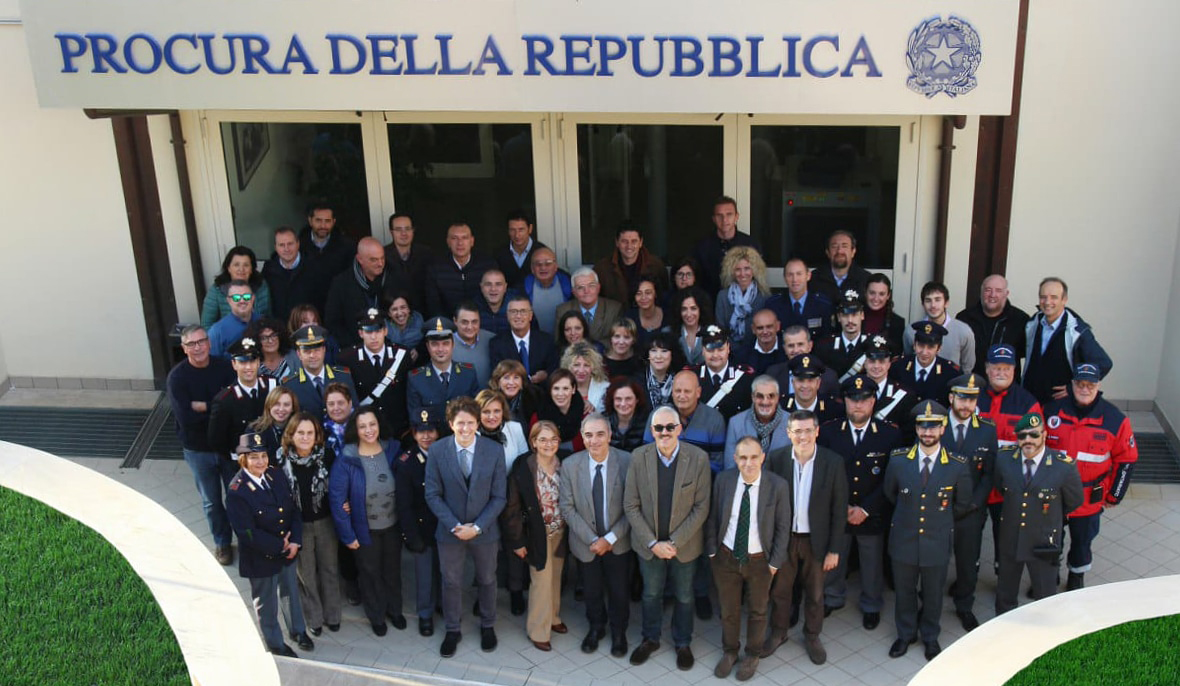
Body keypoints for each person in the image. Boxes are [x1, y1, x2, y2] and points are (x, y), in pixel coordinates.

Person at [623, 406, 712, 670]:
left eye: (669, 427)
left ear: (679, 429)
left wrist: (673, 543)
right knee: (651, 595)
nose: (664, 432)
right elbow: (630, 505)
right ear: (651, 431)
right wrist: (653, 543)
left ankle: (683, 642)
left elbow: (701, 507)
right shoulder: (638, 457)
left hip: (683, 546)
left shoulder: (698, 458)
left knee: (685, 597)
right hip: (649, 545)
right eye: (658, 428)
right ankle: (650, 639)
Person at [883, 401, 972, 661]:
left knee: (933, 594)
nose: (928, 433)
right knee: (905, 591)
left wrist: (938, 521)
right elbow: (891, 494)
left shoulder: (956, 465)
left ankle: (931, 637)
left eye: (933, 427)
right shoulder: (899, 461)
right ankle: (906, 634)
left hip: (936, 540)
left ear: (943, 428)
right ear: (917, 429)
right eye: (923, 427)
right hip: (903, 540)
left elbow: (962, 503)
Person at [818, 374, 903, 631]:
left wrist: (865, 509)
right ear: (844, 401)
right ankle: (833, 597)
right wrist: (841, 507)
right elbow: (824, 473)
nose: (858, 405)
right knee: (835, 558)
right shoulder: (830, 432)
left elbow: (891, 477)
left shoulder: (889, 434)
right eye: (853, 399)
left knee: (871, 563)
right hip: (839, 511)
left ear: (873, 401)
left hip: (871, 512)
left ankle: (871, 605)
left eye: (864, 400)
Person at [424, 397, 508, 657]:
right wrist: (456, 526)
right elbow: (433, 495)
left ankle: (487, 625)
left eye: (470, 423)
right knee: (451, 582)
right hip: (451, 531)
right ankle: (452, 629)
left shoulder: (493, 451)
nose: (465, 428)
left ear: (478, 423)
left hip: (485, 531)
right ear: (451, 424)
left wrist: (478, 527)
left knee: (487, 579)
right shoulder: (438, 451)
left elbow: (499, 497)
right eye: (460, 423)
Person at [763, 411, 849, 665]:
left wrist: (834, 549)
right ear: (789, 434)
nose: (803, 436)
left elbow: (838, 508)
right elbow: (767, 505)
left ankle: (812, 636)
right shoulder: (777, 459)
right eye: (797, 431)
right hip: (785, 539)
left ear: (817, 431)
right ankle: (778, 633)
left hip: (816, 541)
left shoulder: (832, 462)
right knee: (780, 591)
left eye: (808, 430)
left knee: (815, 593)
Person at [704, 436, 791, 680]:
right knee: (729, 610)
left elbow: (784, 527)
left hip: (760, 561)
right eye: (743, 457)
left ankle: (752, 654)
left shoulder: (778, 485)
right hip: (726, 557)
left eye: (754, 457)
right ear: (735, 458)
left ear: (763, 457)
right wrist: (712, 551)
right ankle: (730, 651)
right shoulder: (724, 480)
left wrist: (775, 562)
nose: (749, 463)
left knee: (758, 611)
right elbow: (712, 517)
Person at [1045, 363, 1138, 590]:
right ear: (1072, 384)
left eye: (1090, 384)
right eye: (1080, 383)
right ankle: (1049, 574)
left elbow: (1126, 460)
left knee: (1082, 542)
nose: (1084, 389)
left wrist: (1115, 495)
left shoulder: (1115, 419)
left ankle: (1076, 576)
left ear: (1098, 385)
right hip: (1053, 495)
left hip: (1089, 499)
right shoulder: (1049, 411)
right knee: (1050, 540)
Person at [225, 431, 311, 657]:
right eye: (254, 457)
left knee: (290, 593)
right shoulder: (237, 491)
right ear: (243, 459)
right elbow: (247, 534)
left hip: (287, 550)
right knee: (267, 604)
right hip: (261, 558)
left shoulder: (275, 475)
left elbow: (292, 510)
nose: (260, 461)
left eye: (263, 455)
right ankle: (276, 645)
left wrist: (295, 541)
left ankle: (298, 631)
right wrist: (279, 546)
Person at [993, 412, 1083, 615]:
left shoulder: (1063, 466)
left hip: (1043, 540)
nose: (1028, 440)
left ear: (1044, 435)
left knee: (1045, 595)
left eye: (1034, 435)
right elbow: (1001, 487)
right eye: (1022, 436)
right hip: (1011, 536)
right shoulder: (1004, 459)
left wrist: (1051, 516)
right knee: (1005, 591)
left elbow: (1074, 500)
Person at [559, 414, 633, 658]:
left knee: (619, 591)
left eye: (600, 434)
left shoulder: (627, 461)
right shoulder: (570, 465)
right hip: (585, 544)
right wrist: (593, 539)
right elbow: (567, 507)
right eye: (589, 435)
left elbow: (633, 506)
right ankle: (596, 627)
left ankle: (619, 631)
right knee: (591, 591)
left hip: (618, 543)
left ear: (610, 435)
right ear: (582, 437)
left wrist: (609, 538)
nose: (595, 440)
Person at [328, 408, 406, 636]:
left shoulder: (392, 449)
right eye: (363, 426)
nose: (368, 430)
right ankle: (377, 615)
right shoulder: (347, 458)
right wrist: (348, 535)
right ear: (356, 429)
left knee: (392, 571)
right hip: (364, 529)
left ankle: (395, 610)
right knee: (370, 574)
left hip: (392, 525)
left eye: (372, 424)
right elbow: (337, 499)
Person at [166, 325, 236, 565]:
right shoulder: (177, 378)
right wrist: (217, 407)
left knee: (237, 497)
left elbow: (233, 405)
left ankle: (247, 542)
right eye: (191, 344)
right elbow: (186, 419)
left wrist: (204, 406)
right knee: (212, 501)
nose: (198, 348)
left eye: (201, 342)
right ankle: (223, 543)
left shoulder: (225, 368)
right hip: (198, 451)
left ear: (209, 343)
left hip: (227, 447)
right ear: (184, 349)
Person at [503, 421, 569, 652]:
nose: (548, 444)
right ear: (533, 442)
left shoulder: (566, 462)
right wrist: (517, 541)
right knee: (541, 579)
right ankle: (538, 630)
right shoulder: (523, 466)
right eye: (542, 439)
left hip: (560, 532)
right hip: (535, 534)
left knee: (555, 577)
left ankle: (553, 617)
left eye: (553, 439)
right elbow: (511, 506)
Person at [275, 412, 342, 636]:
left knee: (330, 569)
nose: (305, 437)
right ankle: (314, 618)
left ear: (317, 436)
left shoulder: (327, 456)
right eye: (300, 433)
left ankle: (333, 615)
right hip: (298, 525)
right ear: (291, 435)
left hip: (325, 522)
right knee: (306, 574)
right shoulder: (279, 460)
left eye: (310, 433)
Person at [977, 343, 1042, 569]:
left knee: (1005, 533)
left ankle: (1002, 571)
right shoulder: (972, 397)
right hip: (975, 481)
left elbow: (1034, 448)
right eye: (996, 367)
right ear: (987, 368)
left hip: (1008, 484)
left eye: (1007, 368)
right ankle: (969, 574)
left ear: (1015, 370)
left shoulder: (1027, 403)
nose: (1001, 372)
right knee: (971, 533)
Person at [941, 374, 998, 631]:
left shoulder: (987, 430)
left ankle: (964, 605)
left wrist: (975, 503)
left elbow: (989, 473)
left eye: (971, 399)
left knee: (968, 562)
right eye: (962, 398)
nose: (966, 405)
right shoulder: (935, 426)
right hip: (939, 509)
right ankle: (929, 605)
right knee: (934, 560)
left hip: (971, 510)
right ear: (951, 397)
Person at [476, 388, 530, 616]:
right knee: (485, 551)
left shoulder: (515, 429)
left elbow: (524, 461)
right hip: (482, 501)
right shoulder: (472, 433)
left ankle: (516, 591)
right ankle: (482, 596)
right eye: (486, 411)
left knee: (514, 546)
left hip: (512, 499)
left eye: (496, 411)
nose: (492, 416)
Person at [1022, 277, 1113, 407]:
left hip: (1060, 404)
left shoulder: (1077, 331)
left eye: (1054, 297)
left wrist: (1074, 387)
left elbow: (1104, 363)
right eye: (1043, 297)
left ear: (1064, 300)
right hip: (1031, 400)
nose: (1047, 302)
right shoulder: (1033, 323)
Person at [394, 408, 443, 637]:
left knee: (446, 572)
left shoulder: (446, 454)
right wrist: (411, 537)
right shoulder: (406, 462)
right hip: (421, 528)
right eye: (421, 432)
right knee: (425, 575)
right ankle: (425, 615)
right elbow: (404, 505)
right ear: (414, 434)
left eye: (431, 431)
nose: (426, 436)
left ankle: (442, 604)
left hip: (444, 526)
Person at [208, 336, 279, 467]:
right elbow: (216, 440)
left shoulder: (272, 385)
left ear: (258, 362)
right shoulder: (224, 400)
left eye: (252, 361)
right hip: (241, 464)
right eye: (242, 362)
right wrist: (235, 459)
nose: (248, 367)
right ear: (234, 364)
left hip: (271, 459)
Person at [345, 308, 413, 440]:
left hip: (398, 430)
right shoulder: (348, 358)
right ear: (360, 333)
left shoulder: (401, 355)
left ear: (385, 331)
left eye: (378, 331)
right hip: (366, 431)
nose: (374, 337)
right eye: (368, 332)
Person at [644, 370, 727, 474]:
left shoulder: (714, 419)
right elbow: (646, 456)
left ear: (698, 393)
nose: (682, 396)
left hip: (700, 482)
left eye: (687, 391)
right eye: (678, 391)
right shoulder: (658, 415)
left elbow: (717, 465)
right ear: (672, 392)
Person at [324, 237, 400, 348]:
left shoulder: (394, 276)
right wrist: (354, 347)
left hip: (390, 347)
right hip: (356, 349)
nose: (380, 264)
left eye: (382, 258)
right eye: (373, 260)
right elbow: (333, 322)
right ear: (360, 259)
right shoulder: (341, 283)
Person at [406, 317, 480, 422]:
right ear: (427, 347)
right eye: (435, 344)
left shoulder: (468, 373)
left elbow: (476, 412)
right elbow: (416, 420)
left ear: (453, 345)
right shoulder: (416, 378)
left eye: (445, 343)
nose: (440, 349)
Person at [955, 274, 1030, 378]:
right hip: (971, 385)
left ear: (1006, 293)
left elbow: (1029, 354)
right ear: (981, 292)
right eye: (988, 290)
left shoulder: (1021, 320)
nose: (992, 294)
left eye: (998, 290)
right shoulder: (964, 318)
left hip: (1006, 388)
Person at [282, 324, 358, 420]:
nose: (312, 355)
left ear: (324, 350)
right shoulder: (290, 385)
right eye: (307, 351)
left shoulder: (343, 376)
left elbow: (355, 411)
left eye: (317, 350)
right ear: (299, 354)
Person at [691, 196, 762, 298]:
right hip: (710, 303)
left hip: (745, 305)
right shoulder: (701, 247)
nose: (724, 220)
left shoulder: (751, 244)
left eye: (729, 215)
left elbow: (758, 278)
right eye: (719, 215)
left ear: (736, 217)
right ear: (714, 219)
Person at [426, 222, 497, 319]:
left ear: (472, 241)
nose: (460, 243)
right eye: (455, 238)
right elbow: (434, 305)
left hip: (482, 323)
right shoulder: (436, 268)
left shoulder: (487, 265)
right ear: (448, 242)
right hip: (449, 324)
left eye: (464, 238)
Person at [902, 282, 976, 372]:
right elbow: (908, 361)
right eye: (928, 300)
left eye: (937, 300)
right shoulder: (911, 331)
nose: (933, 305)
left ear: (946, 303)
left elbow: (967, 367)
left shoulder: (963, 331)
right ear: (923, 304)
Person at [723, 375, 791, 469]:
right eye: (760, 396)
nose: (765, 402)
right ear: (753, 397)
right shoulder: (736, 423)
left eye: (771, 396)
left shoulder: (792, 423)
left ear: (777, 398)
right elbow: (730, 468)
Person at [489, 295, 558, 386]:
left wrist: (546, 375)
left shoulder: (547, 341)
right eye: (514, 312)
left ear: (531, 315)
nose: (518, 316)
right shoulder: (497, 344)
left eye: (523, 311)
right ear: (507, 316)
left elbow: (554, 371)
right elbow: (498, 376)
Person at [594, 221, 669, 305]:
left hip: (647, 316)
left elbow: (664, 297)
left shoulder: (656, 266)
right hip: (614, 317)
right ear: (617, 242)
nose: (629, 246)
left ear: (641, 242)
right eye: (624, 241)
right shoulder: (602, 268)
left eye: (634, 241)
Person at [263, 226, 326, 323]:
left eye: (290, 244)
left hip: (308, 327)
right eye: (281, 245)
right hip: (279, 328)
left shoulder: (315, 267)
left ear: (298, 244)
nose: (286, 249)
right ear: (275, 247)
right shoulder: (269, 269)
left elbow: (323, 300)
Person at [695, 324, 755, 421]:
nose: (715, 355)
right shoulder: (692, 376)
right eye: (710, 350)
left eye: (720, 349)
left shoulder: (744, 377)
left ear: (728, 348)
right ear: (703, 350)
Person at [201, 246, 272, 328]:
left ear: (252, 269)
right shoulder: (217, 290)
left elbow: (268, 318)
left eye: (246, 265)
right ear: (229, 268)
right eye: (236, 265)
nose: (241, 269)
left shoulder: (261, 286)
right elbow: (206, 325)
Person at [714, 246, 770, 347]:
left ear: (754, 270)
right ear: (731, 272)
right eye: (738, 269)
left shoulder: (763, 296)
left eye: (747, 268)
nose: (742, 274)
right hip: (728, 351)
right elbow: (720, 330)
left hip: (756, 351)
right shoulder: (722, 296)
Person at [766, 257, 834, 342]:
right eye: (790, 275)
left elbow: (826, 340)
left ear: (808, 276)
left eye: (799, 274)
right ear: (785, 278)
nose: (795, 279)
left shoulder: (823, 305)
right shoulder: (773, 305)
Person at [891, 322, 961, 402]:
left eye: (930, 347)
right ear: (914, 345)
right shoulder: (898, 366)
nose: (924, 352)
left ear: (938, 349)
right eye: (921, 345)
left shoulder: (950, 372)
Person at [765, 325, 840, 399]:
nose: (796, 350)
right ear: (784, 348)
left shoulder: (828, 376)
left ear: (810, 346)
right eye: (791, 346)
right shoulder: (773, 374)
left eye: (800, 344)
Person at [556, 267, 624, 346]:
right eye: (580, 287)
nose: (586, 291)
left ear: (598, 288)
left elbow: (618, 340)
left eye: (591, 286)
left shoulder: (614, 309)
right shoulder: (563, 310)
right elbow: (560, 342)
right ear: (574, 292)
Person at [861, 335, 917, 430]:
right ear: (865, 363)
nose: (876, 366)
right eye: (872, 361)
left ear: (889, 364)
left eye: (882, 361)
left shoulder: (904, 396)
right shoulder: (851, 389)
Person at [383, 212, 435, 313]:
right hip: (394, 316)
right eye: (398, 229)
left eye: (407, 229)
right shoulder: (383, 256)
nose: (404, 233)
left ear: (413, 230)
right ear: (391, 232)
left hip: (424, 313)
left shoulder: (426, 254)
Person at [300, 201, 356, 288]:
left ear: (333, 222)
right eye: (318, 220)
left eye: (327, 221)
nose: (323, 225)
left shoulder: (347, 247)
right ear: (310, 221)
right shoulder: (298, 246)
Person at [532, 368, 586, 458]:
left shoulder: (585, 416)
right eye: (556, 388)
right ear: (550, 390)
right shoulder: (538, 418)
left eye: (565, 388)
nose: (560, 394)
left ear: (573, 389)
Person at [816, 291, 869, 380]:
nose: (850, 320)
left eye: (854, 315)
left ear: (862, 315)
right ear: (839, 317)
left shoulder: (870, 344)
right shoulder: (825, 346)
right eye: (845, 315)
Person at [809, 229, 872, 304]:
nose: (839, 251)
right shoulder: (813, 279)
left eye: (844, 246)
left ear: (853, 251)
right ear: (828, 252)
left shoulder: (866, 280)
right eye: (834, 246)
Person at [781, 353, 842, 425]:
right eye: (800, 380)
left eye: (810, 380)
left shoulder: (833, 408)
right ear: (792, 382)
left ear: (818, 383)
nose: (805, 386)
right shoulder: (781, 407)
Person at [523, 247, 572, 335]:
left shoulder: (569, 286)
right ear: (532, 268)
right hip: (536, 343)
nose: (543, 267)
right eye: (538, 264)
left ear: (555, 266)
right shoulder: (522, 289)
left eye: (548, 263)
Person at [495, 209, 547, 289]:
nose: (517, 235)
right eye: (512, 230)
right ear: (508, 231)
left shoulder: (542, 252)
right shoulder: (499, 254)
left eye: (521, 230)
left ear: (530, 229)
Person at [208, 280, 260, 358]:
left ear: (253, 298)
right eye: (236, 298)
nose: (242, 301)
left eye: (246, 297)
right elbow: (213, 364)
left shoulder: (263, 322)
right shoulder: (217, 332)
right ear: (228, 301)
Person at [635, 332, 685, 411]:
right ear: (648, 354)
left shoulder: (681, 380)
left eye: (664, 351)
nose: (658, 356)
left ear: (672, 354)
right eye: (654, 351)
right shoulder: (636, 381)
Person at [249, 386, 299, 464]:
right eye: (276, 404)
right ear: (269, 405)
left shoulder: (300, 429)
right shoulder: (254, 430)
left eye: (286, 405)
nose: (281, 409)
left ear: (293, 408)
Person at [451, 302, 496, 388]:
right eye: (465, 322)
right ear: (455, 321)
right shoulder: (446, 344)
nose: (470, 327)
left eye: (474, 322)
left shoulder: (491, 340)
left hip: (488, 398)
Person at [668, 286, 715, 367]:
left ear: (701, 310)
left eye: (693, 308)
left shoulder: (713, 333)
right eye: (684, 309)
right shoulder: (668, 333)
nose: (689, 314)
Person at [604, 377, 650, 452]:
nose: (623, 404)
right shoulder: (603, 421)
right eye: (618, 399)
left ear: (637, 400)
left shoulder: (647, 422)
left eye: (628, 399)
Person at [562, 341, 610, 414]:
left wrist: (594, 411)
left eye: (586, 365)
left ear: (593, 367)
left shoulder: (605, 388)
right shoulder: (560, 387)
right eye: (576, 365)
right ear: (568, 366)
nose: (581, 370)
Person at [734, 309, 786, 376]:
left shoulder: (787, 350)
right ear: (753, 329)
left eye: (769, 327)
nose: (765, 332)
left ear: (778, 326)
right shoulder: (742, 355)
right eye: (760, 328)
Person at [863, 273, 906, 354]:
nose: (876, 298)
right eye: (872, 293)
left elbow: (895, 355)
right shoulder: (854, 317)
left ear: (888, 295)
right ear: (865, 293)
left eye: (881, 294)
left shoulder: (897, 323)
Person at [490, 359, 542, 425]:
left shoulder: (535, 399)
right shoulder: (489, 401)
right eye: (506, 378)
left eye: (516, 378)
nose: (511, 382)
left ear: (522, 382)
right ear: (498, 382)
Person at [248, 318, 295, 383]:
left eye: (273, 335)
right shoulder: (253, 365)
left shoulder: (294, 356)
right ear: (257, 341)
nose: (270, 341)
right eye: (264, 338)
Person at [384, 292, 424, 361]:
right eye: (394, 309)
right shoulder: (383, 330)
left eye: (403, 307)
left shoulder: (419, 322)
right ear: (389, 313)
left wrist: (418, 350)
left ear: (409, 309)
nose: (399, 313)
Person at [628, 277, 667, 347]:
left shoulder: (668, 316)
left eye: (648, 293)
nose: (643, 297)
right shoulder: (629, 317)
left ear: (655, 294)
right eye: (638, 293)